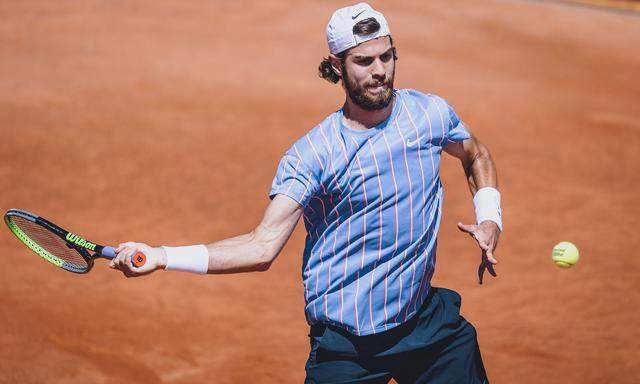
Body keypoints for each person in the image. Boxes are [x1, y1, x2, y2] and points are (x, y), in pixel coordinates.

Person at [111, 3, 501, 383]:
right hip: (348, 347)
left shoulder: (429, 114)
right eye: (364, 62)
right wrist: (163, 256)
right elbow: (261, 246)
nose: (380, 71)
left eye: (387, 56)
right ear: (336, 67)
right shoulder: (313, 154)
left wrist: (490, 217)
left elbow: (475, 153)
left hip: (423, 324)